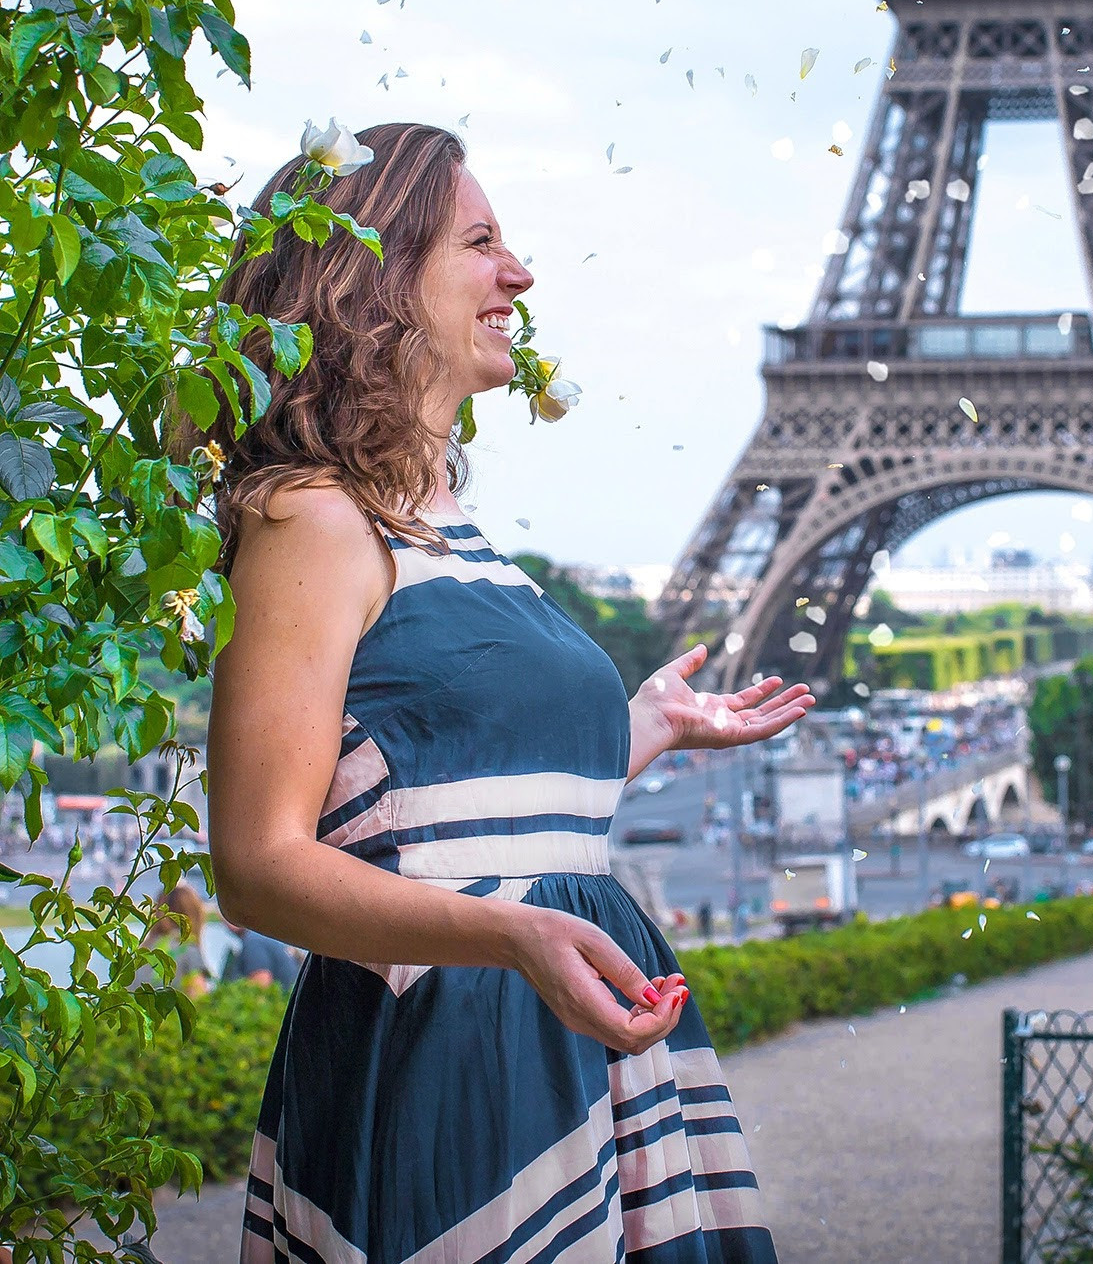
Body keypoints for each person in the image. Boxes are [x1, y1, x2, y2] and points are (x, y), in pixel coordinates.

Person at [201, 123, 807, 1263]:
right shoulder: (314, 521)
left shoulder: (440, 531)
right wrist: (514, 934)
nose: (519, 276)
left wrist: (643, 729)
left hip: (542, 1028)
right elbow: (259, 863)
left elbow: (433, 802)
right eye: (481, 243)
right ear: (375, 276)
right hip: (456, 1044)